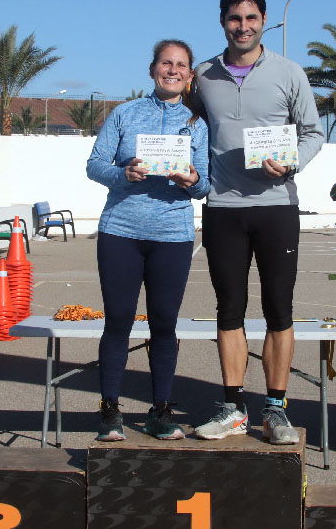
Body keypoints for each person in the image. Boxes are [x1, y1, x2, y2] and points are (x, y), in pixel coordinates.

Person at [189, 0, 324, 446]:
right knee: (229, 310)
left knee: (278, 310)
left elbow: (312, 133)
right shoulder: (202, 75)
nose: (242, 27)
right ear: (222, 21)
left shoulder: (289, 73)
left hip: (276, 208)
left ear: (264, 20)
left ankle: (276, 409)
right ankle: (233, 407)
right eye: (233, 18)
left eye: (250, 18)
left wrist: (292, 162)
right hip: (222, 208)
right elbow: (183, 120)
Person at [86, 39, 210, 442]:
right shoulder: (124, 114)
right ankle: (109, 411)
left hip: (172, 236)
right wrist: (124, 174)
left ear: (190, 75)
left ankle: (160, 410)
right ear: (152, 69)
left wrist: (190, 180)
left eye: (180, 66)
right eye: (165, 63)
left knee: (164, 324)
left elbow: (205, 183)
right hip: (120, 231)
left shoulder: (197, 124)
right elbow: (95, 164)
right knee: (119, 320)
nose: (172, 71)